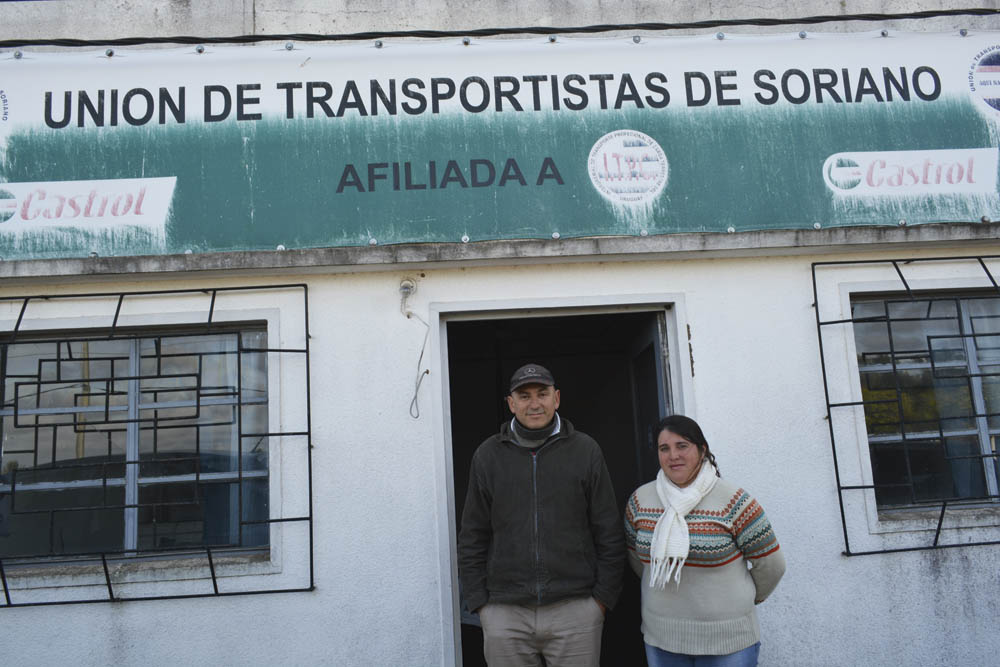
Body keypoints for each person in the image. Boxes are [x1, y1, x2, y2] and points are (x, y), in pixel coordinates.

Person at [458, 363, 623, 667]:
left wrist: (600, 600)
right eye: (524, 396)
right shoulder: (487, 455)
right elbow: (472, 535)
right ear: (511, 403)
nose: (534, 403)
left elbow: (608, 530)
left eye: (542, 394)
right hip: (505, 613)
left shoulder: (585, 450)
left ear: (557, 398)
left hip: (575, 609)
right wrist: (480, 604)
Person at [624, 415, 785, 667]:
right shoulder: (640, 501)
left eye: (682, 446)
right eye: (664, 448)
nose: (673, 455)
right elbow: (637, 559)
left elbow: (772, 565)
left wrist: (742, 601)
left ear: (702, 450)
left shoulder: (734, 501)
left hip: (728, 641)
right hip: (662, 638)